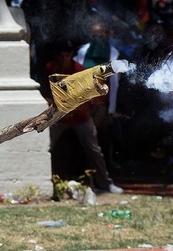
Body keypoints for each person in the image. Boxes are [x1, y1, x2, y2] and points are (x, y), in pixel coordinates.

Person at [42, 41, 123, 194]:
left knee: (94, 150)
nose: (65, 59)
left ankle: (105, 183)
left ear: (72, 56)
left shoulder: (79, 70)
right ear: (56, 56)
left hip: (80, 116)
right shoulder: (50, 68)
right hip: (58, 116)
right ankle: (41, 181)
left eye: (68, 55)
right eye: (62, 56)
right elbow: (46, 93)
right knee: (45, 147)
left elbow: (87, 97)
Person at [74, 19, 122, 170]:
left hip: (103, 103)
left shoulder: (113, 53)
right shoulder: (83, 51)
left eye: (101, 35)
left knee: (103, 137)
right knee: (86, 138)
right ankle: (84, 170)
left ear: (108, 35)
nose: (98, 38)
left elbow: (114, 82)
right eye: (95, 35)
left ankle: (104, 167)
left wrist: (111, 108)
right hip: (85, 102)